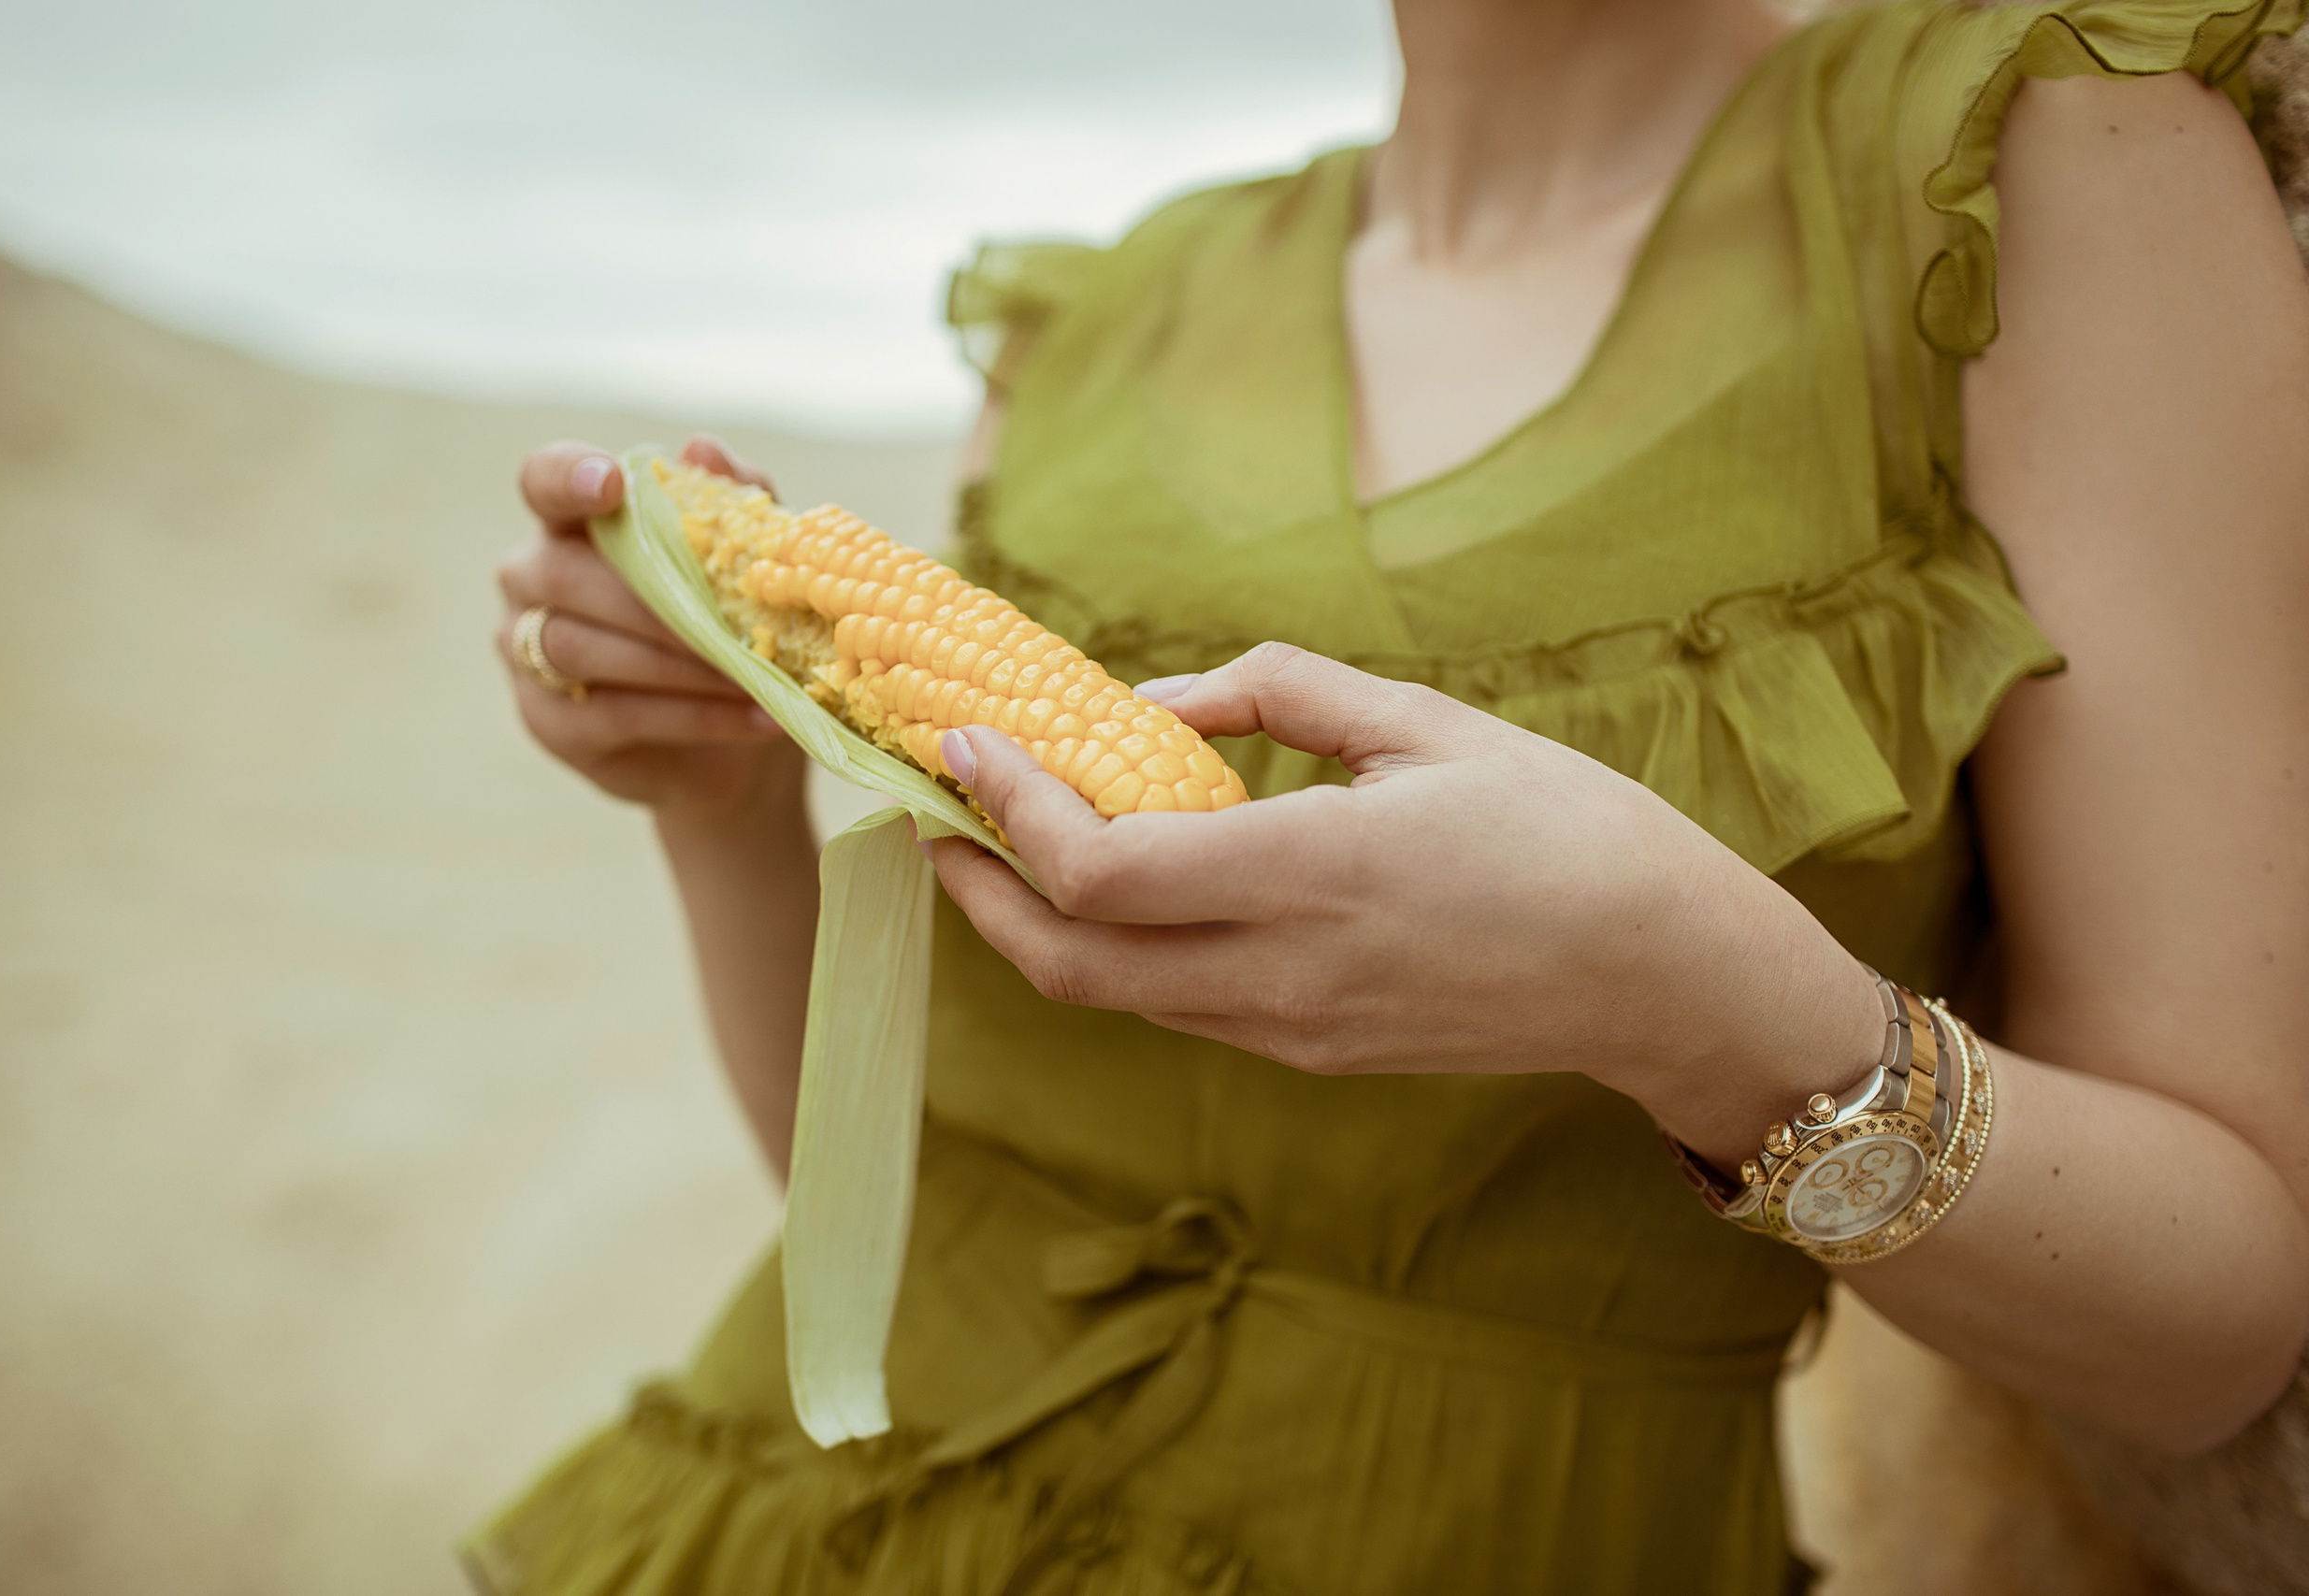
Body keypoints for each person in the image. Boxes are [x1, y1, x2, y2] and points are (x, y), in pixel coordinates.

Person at [474, 0, 2309, 1589]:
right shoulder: (1094, 315)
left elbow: (2213, 1332)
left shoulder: (2043, 155)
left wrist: (1674, 990)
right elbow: (895, 1189)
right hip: (816, 1516)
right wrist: (713, 802)